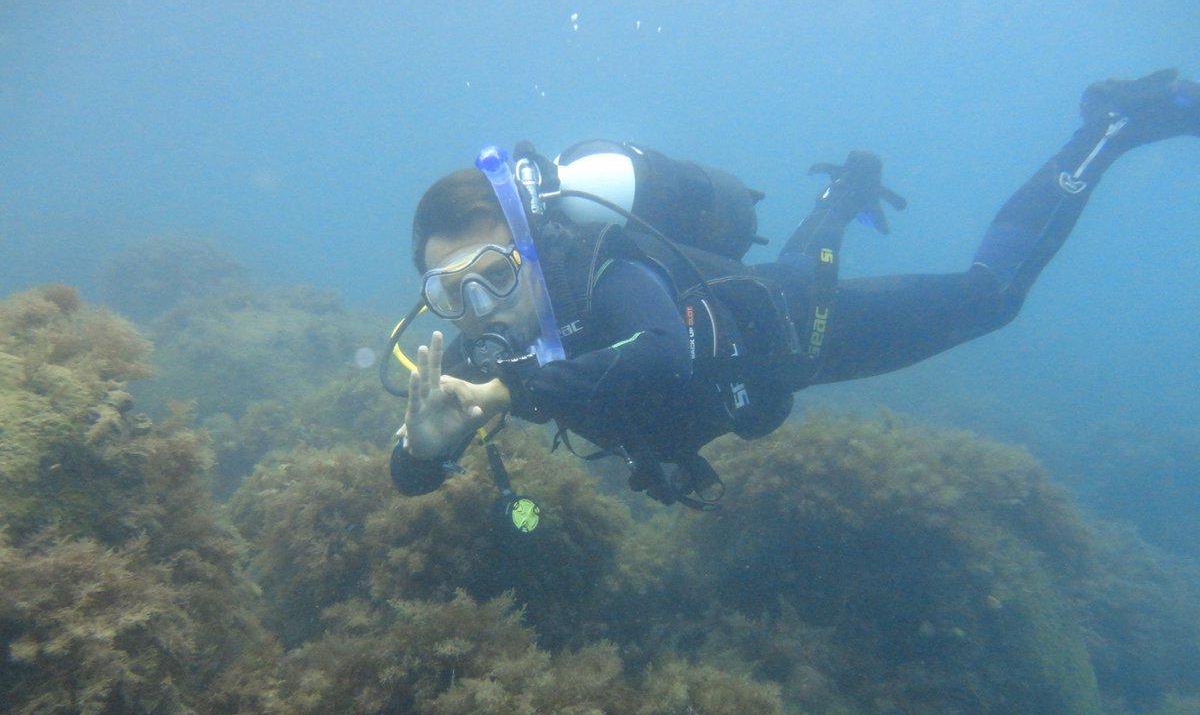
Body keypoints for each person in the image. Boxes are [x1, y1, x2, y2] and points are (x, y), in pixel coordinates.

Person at [387, 68, 1199, 510]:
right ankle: (845, 189)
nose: (481, 311)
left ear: (532, 250)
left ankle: (1108, 126)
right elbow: (415, 473)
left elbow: (665, 354)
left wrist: (511, 386)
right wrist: (423, 450)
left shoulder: (604, 269)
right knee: (805, 258)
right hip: (764, 307)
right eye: (453, 294)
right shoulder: (483, 352)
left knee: (989, 297)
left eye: (494, 276)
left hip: (799, 335)